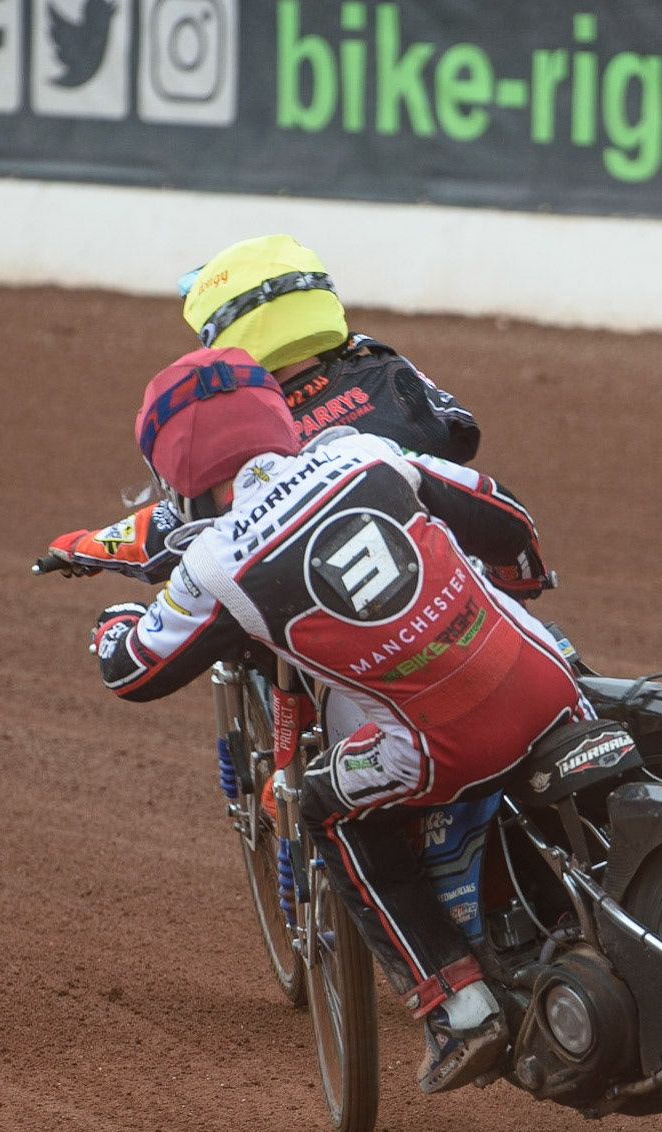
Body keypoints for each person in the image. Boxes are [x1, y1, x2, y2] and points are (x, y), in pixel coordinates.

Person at [89, 347, 589, 1092]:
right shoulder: (365, 453)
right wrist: (523, 579)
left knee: (331, 811)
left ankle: (458, 1004)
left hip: (438, 749)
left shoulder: (217, 560)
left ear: (178, 474)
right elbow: (506, 518)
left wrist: (108, 620)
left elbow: (132, 669)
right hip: (550, 681)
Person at [45, 235, 532, 593]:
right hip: (468, 569)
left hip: (338, 593)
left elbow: (179, 524)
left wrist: (84, 544)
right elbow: (457, 431)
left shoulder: (240, 422)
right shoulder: (378, 361)